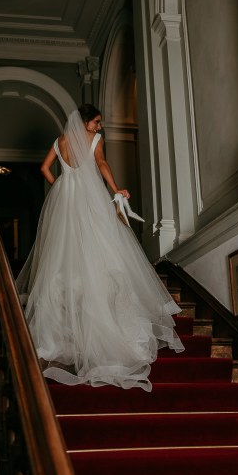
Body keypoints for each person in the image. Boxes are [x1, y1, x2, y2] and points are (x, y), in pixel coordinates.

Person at [16, 104, 184, 390]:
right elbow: (102, 164)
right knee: (99, 245)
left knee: (63, 253)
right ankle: (101, 311)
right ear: (85, 122)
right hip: (88, 195)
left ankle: (64, 326)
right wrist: (116, 188)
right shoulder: (94, 141)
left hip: (65, 196)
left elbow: (44, 168)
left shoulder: (60, 141)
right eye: (96, 122)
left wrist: (60, 185)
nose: (99, 127)